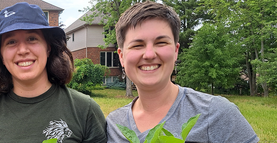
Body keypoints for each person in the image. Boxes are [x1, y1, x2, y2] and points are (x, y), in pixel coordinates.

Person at [106, 1, 258, 143]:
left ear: (175, 51)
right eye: (138, 45)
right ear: (121, 56)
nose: (150, 54)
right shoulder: (113, 125)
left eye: (161, 43)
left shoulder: (217, 113)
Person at [0, 2, 107, 143]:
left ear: (48, 48)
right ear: (1, 55)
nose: (22, 50)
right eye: (11, 42)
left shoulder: (85, 110)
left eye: (32, 38)